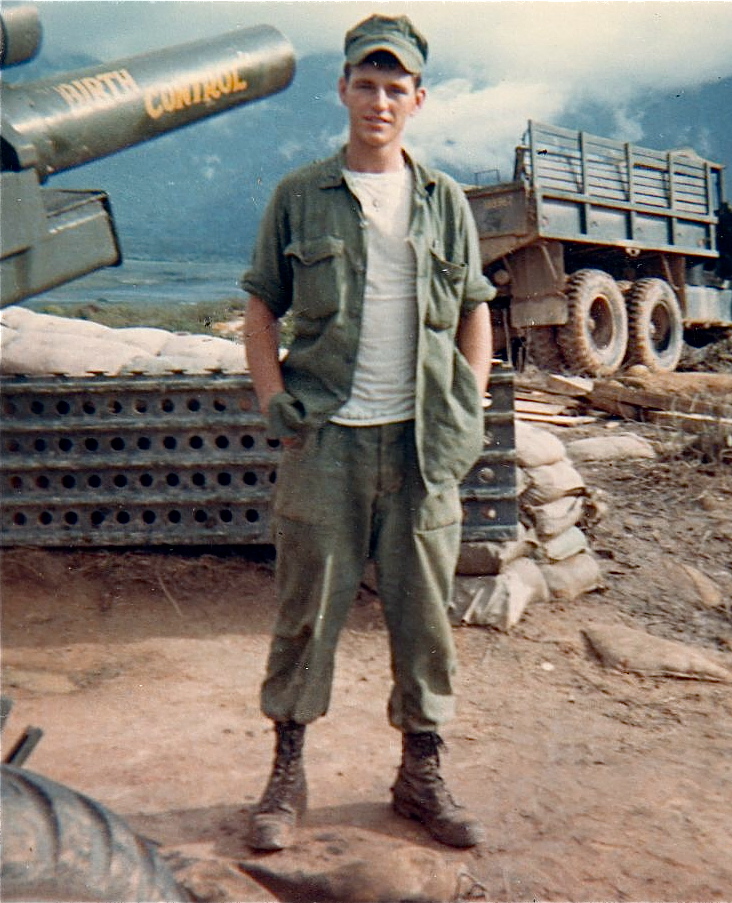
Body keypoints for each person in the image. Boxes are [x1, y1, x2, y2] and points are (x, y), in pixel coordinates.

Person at [240, 13, 495, 853]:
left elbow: (474, 310)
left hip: (422, 447)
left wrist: (467, 406)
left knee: (425, 620)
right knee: (305, 614)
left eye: (394, 88)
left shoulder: (444, 200)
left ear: (417, 100)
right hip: (327, 444)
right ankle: (286, 777)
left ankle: (420, 776)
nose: (379, 101)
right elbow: (260, 304)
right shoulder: (298, 194)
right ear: (342, 90)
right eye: (365, 84)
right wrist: (273, 399)